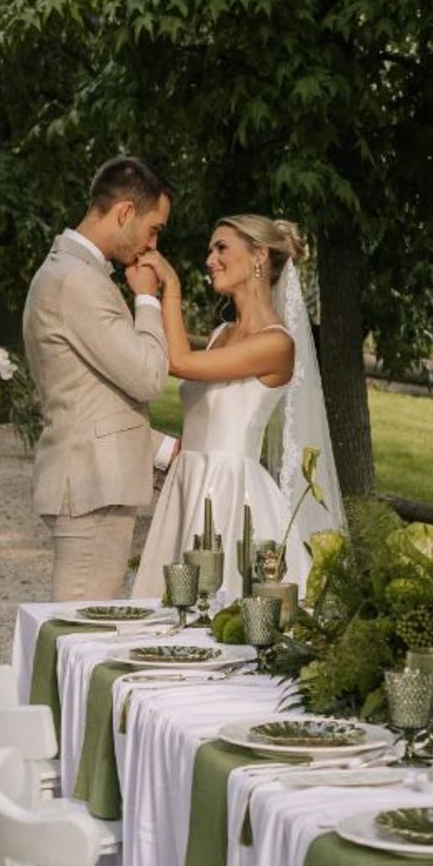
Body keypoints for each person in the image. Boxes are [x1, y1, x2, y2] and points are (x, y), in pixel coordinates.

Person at [130, 213, 341, 604]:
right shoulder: (220, 334)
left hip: (229, 493)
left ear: (259, 255)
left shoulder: (277, 344)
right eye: (210, 250)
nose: (210, 259)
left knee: (220, 602)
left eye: (221, 248)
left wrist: (170, 288)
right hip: (186, 483)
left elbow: (180, 362)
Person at [24, 155, 174, 599]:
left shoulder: (74, 273)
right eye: (154, 229)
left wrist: (164, 450)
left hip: (95, 481)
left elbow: (91, 397)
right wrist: (148, 298)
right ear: (125, 212)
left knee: (86, 627)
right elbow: (148, 376)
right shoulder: (77, 280)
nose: (152, 245)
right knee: (80, 629)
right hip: (92, 486)